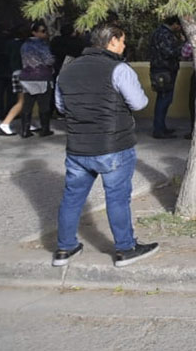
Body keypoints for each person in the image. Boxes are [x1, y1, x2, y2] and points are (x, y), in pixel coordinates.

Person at [53, 22, 158, 268]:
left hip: (78, 146)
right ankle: (125, 248)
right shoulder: (119, 69)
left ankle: (64, 248)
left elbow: (60, 106)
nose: (124, 45)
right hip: (114, 145)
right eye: (122, 41)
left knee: (71, 198)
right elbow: (139, 103)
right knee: (117, 198)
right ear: (111, 41)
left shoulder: (66, 70)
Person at [18, 21, 55, 138]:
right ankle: (45, 129)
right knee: (44, 104)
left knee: (27, 104)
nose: (45, 33)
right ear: (34, 32)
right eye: (43, 31)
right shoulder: (42, 45)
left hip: (26, 77)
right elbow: (49, 60)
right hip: (42, 77)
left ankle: (25, 130)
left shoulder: (24, 45)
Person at [148, 16, 183, 139]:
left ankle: (161, 127)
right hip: (164, 70)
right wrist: (182, 48)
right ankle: (159, 129)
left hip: (162, 69)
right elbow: (168, 52)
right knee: (164, 99)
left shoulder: (160, 32)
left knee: (164, 99)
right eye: (179, 25)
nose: (179, 28)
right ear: (174, 24)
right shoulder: (164, 34)